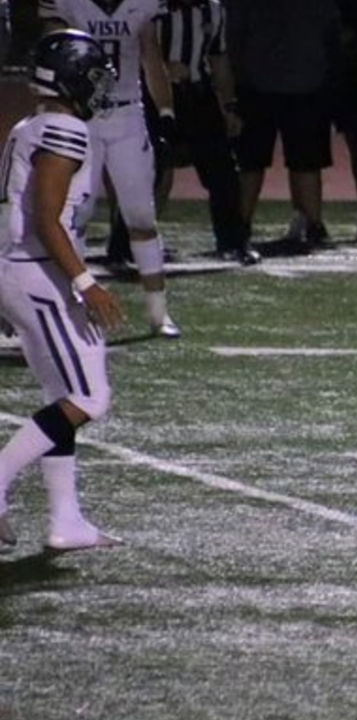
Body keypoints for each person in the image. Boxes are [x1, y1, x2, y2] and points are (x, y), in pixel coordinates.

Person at [0, 29, 125, 552]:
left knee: (63, 395)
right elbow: (46, 218)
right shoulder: (64, 128)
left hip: (23, 269)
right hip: (40, 273)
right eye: (93, 75)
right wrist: (86, 282)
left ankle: (66, 521)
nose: (99, 86)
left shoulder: (31, 125)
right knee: (88, 397)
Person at [41, 0, 181, 338]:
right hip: (81, 116)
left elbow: (151, 57)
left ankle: (158, 312)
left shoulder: (142, 4)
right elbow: (50, 59)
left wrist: (166, 112)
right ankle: (71, 306)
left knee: (141, 217)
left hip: (127, 114)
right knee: (74, 216)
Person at [225, 0, 340, 254]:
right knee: (296, 161)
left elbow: (234, 33)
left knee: (258, 162)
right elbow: (331, 32)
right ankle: (313, 224)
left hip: (270, 82)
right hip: (296, 83)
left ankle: (242, 224)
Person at [152, 0, 258, 266]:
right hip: (155, 96)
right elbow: (129, 54)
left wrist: (229, 106)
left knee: (223, 172)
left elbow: (218, 58)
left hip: (198, 96)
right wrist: (163, 67)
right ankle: (128, 244)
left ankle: (233, 242)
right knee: (150, 172)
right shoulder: (150, 7)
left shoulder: (214, 9)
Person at [282, 0, 357, 245]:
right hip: (310, 69)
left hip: (349, 69)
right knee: (304, 145)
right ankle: (303, 213)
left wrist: (354, 29)